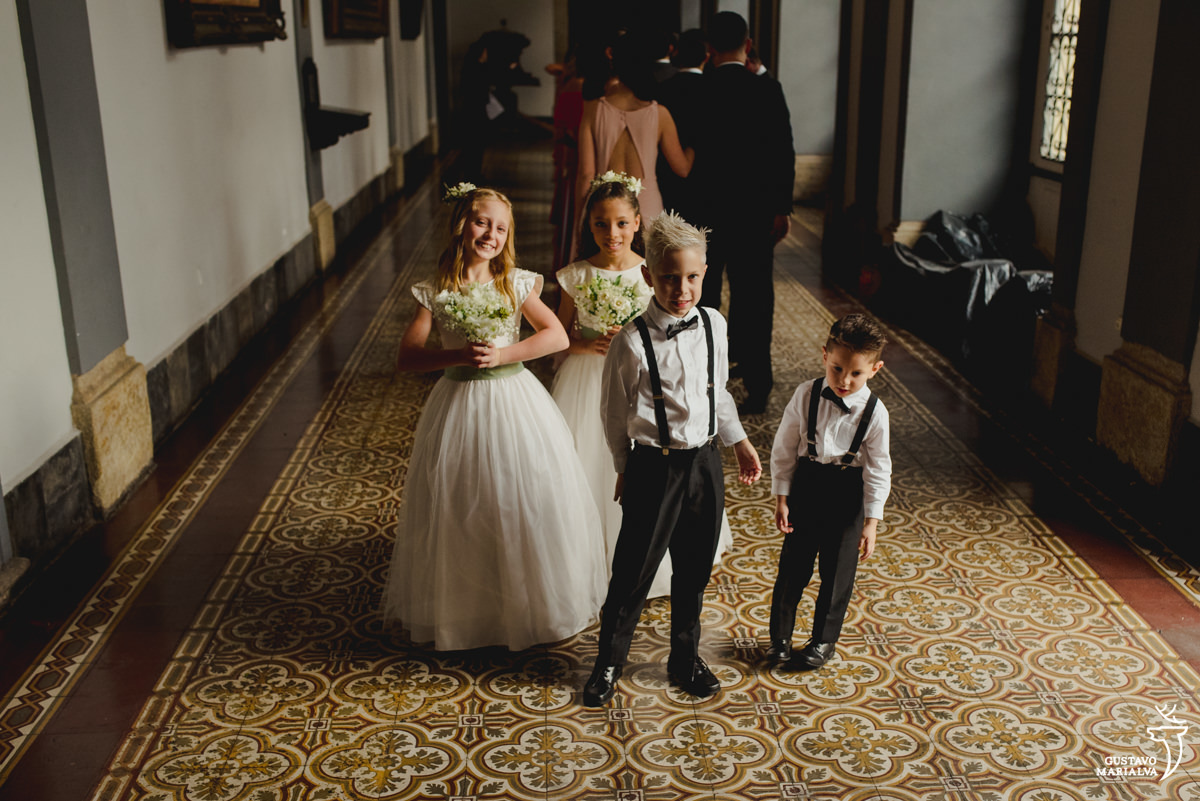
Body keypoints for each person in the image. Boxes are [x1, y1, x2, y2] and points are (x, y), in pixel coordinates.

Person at [381, 185, 607, 652]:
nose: (491, 234)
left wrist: (503, 353)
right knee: (462, 499)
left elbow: (556, 337)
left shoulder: (516, 283)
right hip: (458, 403)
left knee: (517, 495)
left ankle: (528, 606)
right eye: (482, 223)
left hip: (513, 401)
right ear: (461, 225)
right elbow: (407, 356)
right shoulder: (435, 289)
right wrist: (456, 355)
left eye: (501, 228)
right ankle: (469, 612)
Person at [582, 212, 762, 707]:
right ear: (648, 275)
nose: (681, 289)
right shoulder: (630, 341)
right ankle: (608, 662)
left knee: (694, 567)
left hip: (704, 462)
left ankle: (685, 658)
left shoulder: (715, 324)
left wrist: (739, 441)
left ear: (704, 273)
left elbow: (717, 393)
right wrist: (623, 467)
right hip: (653, 466)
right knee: (633, 569)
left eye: (691, 277)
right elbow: (613, 413)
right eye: (668, 278)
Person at [552, 175, 733, 598]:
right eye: (600, 224)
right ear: (588, 225)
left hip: (651, 388)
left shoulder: (655, 271)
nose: (611, 233)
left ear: (637, 223)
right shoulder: (576, 275)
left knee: (655, 488)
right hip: (586, 378)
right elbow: (559, 336)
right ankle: (588, 556)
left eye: (621, 223)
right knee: (587, 464)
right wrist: (586, 344)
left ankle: (663, 564)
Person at [765, 314, 892, 670]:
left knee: (837, 574)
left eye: (856, 373)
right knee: (793, 567)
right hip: (807, 484)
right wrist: (782, 497)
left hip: (848, 494)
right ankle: (780, 638)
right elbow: (784, 448)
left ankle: (823, 641)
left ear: (875, 369)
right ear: (825, 355)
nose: (844, 380)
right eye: (837, 369)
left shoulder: (875, 413)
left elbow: (879, 469)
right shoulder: (806, 394)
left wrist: (871, 522)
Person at [691, 11, 795, 415]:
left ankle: (703, 377)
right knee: (754, 298)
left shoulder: (699, 90)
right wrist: (781, 208)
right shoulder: (767, 89)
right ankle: (758, 384)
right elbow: (783, 152)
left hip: (706, 211)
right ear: (748, 45)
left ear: (709, 48)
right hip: (755, 213)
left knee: (704, 296)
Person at [576, 31, 694, 223]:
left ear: (614, 63)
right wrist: (694, 145)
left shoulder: (593, 110)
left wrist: (579, 220)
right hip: (646, 207)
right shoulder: (660, 114)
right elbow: (682, 168)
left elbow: (585, 174)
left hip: (605, 208)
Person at [656, 28, 708, 222]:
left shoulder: (663, 89)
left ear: (677, 53)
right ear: (706, 57)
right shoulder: (715, 90)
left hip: (668, 177)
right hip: (707, 180)